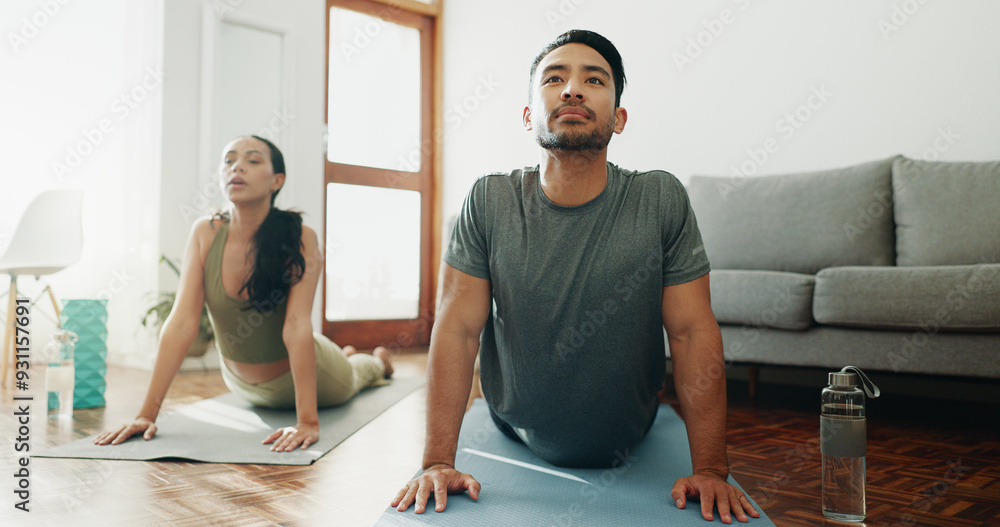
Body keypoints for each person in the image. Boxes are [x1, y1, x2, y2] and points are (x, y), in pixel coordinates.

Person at [390, 30, 760, 524]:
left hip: (629, 430)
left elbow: (692, 331)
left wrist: (712, 469)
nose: (572, 89)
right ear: (528, 116)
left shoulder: (659, 199)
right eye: (554, 78)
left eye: (594, 79)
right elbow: (457, 329)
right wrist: (437, 461)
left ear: (619, 118)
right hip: (512, 423)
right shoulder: (488, 201)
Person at [95, 135, 393, 452]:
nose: (237, 166)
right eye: (229, 160)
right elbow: (182, 323)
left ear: (276, 180)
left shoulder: (301, 237)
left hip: (307, 377)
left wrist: (307, 421)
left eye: (252, 160)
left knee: (354, 376)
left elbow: (296, 326)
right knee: (339, 359)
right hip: (240, 384)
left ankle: (376, 362)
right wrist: (145, 415)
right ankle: (347, 353)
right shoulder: (204, 233)